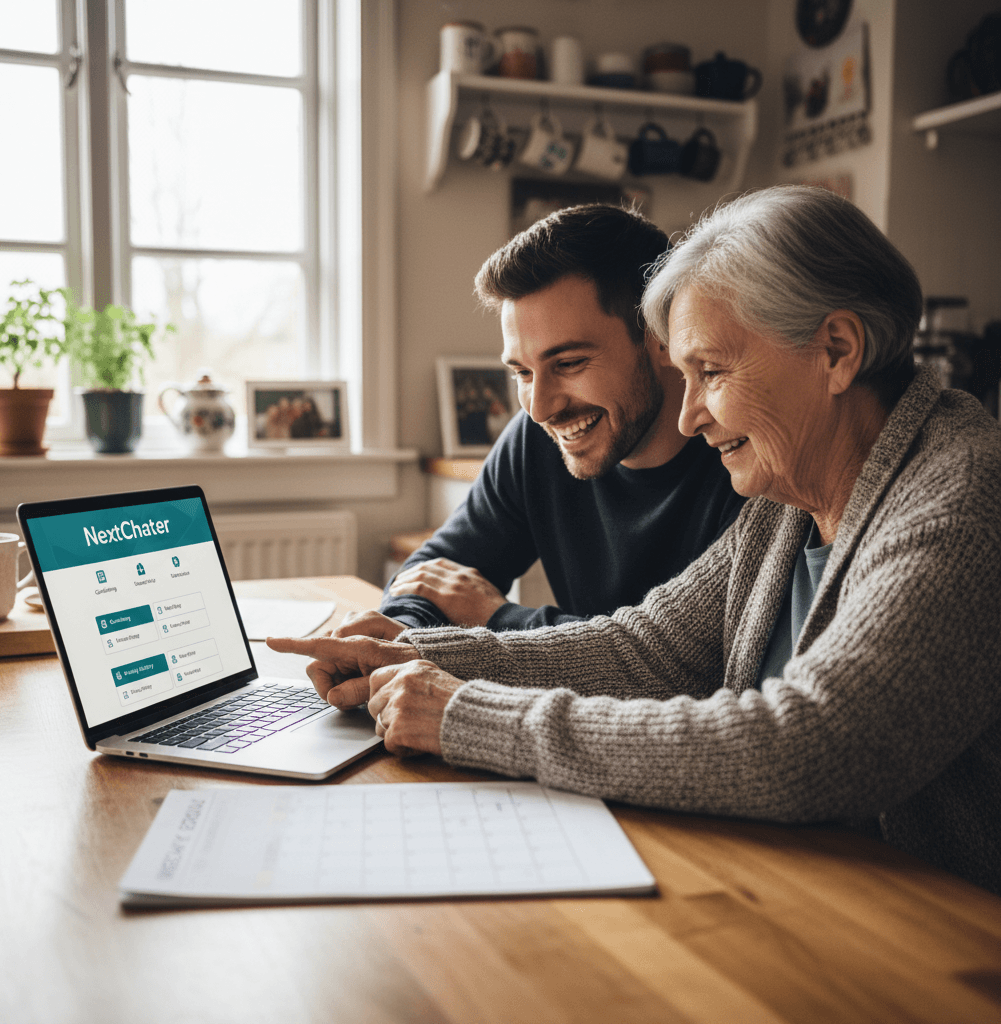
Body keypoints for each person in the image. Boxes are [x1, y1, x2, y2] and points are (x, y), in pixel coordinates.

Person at [270, 185, 1001, 894]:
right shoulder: (791, 491)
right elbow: (649, 649)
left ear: (837, 350)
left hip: (943, 938)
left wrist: (467, 715)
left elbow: (811, 746)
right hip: (808, 888)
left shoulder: (959, 500)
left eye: (711, 371)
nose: (688, 418)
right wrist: (417, 652)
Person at [338, 204, 744, 639]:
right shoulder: (536, 441)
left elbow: (691, 660)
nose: (540, 408)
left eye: (569, 363)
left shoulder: (743, 457)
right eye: (522, 373)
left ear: (662, 337)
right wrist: (395, 637)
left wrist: (497, 617)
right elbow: (433, 573)